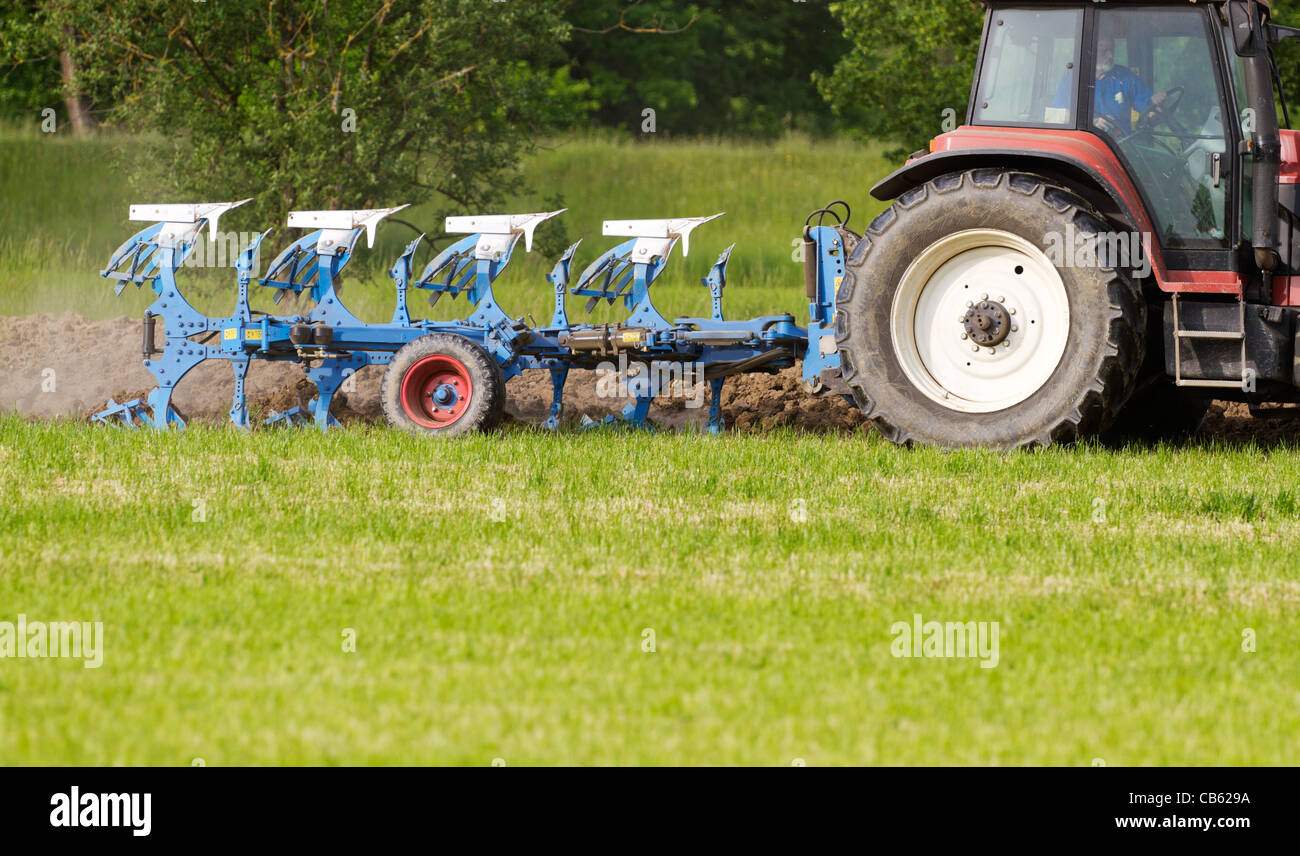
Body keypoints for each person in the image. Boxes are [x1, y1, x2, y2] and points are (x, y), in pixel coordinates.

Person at [1053, 38, 1166, 134]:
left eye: (1112, 50)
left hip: (1121, 145)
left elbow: (1148, 112)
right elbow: (1054, 116)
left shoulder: (1126, 77)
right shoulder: (1073, 78)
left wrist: (1156, 106)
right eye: (1105, 51)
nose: (1111, 55)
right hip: (1084, 144)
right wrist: (1093, 122)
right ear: (1090, 52)